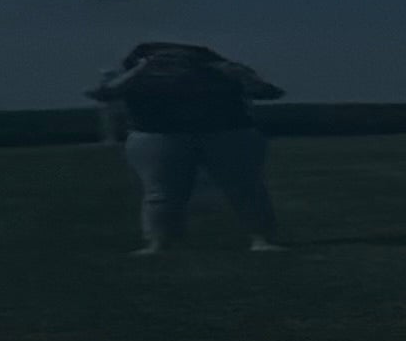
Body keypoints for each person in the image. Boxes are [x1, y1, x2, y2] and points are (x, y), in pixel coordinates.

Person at [88, 39, 287, 254]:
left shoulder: (223, 72)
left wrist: (238, 73)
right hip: (162, 133)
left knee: (245, 188)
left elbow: (268, 92)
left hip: (221, 131)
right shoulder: (136, 75)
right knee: (161, 193)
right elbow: (104, 93)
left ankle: (261, 239)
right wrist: (141, 70)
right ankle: (158, 242)